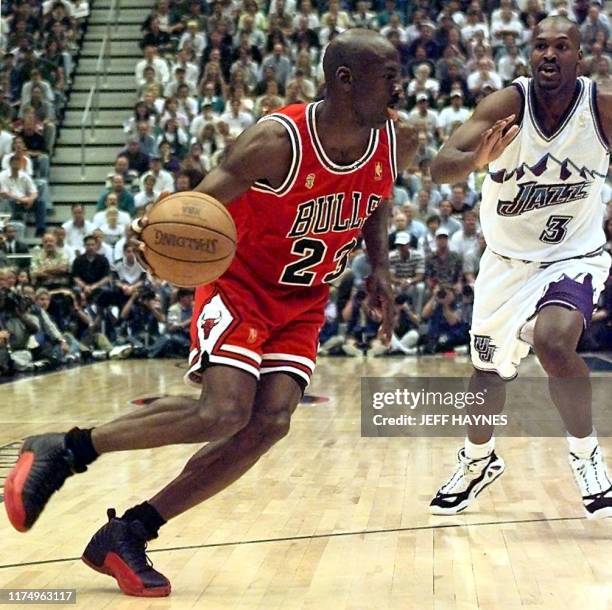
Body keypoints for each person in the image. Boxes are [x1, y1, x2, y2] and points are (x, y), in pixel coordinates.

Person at [4, 29, 418, 597]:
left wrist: (381, 270)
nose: (400, 85)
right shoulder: (278, 141)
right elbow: (195, 210)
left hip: (304, 299)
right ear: (345, 79)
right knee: (224, 412)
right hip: (240, 285)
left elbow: (377, 198)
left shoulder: (393, 139)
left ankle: (128, 531)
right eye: (389, 75)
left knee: (270, 421)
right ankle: (67, 448)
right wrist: (155, 233)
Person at [428, 17, 612, 518]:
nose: (548, 54)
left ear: (580, 55)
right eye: (540, 46)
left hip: (573, 256)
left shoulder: (601, 109)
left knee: (554, 342)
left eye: (561, 46)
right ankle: (477, 460)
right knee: (487, 373)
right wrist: (474, 160)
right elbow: (440, 166)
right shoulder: (506, 104)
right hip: (506, 265)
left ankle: (587, 456)